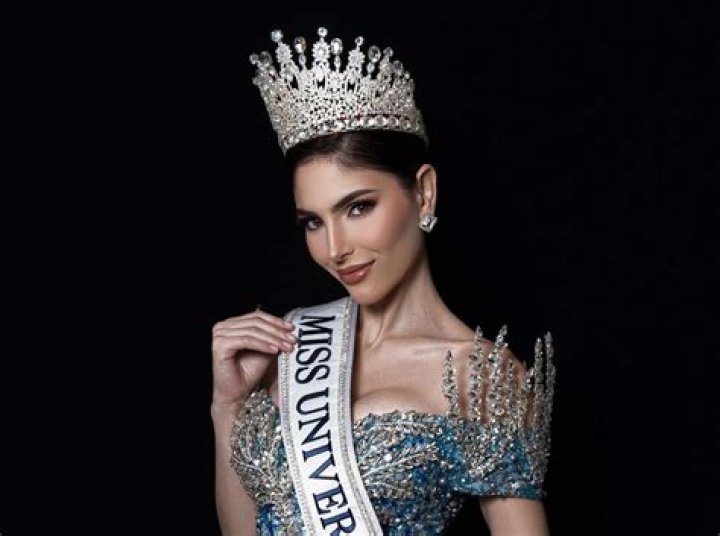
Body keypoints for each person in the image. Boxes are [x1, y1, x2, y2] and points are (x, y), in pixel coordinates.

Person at [211, 25, 556, 535]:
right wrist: (228, 406)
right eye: (313, 222)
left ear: (423, 193)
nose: (335, 248)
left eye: (358, 207)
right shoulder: (287, 348)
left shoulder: (483, 378)